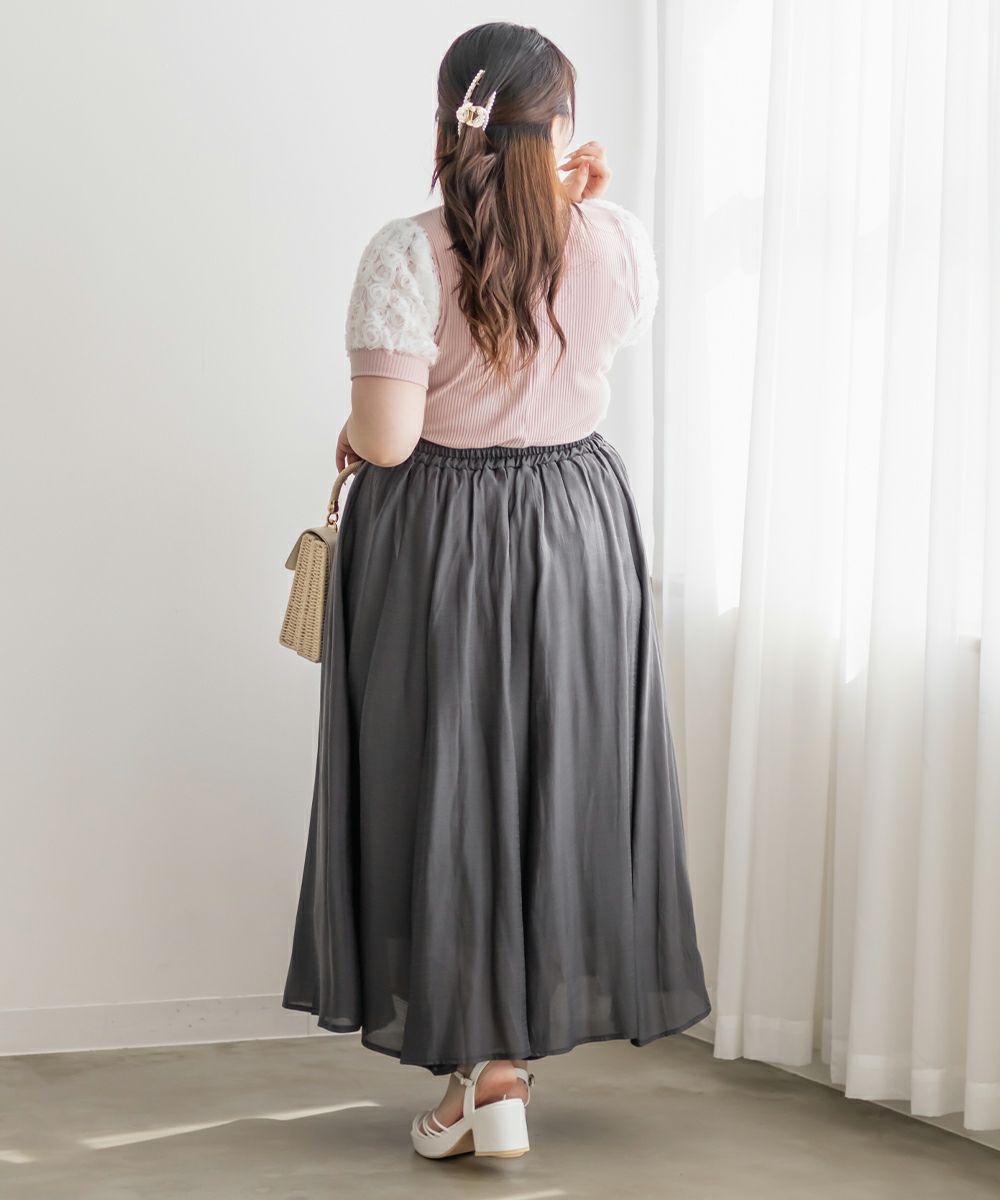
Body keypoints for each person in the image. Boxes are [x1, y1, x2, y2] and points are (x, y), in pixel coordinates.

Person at [281, 20, 712, 1161]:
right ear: (561, 131)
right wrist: (579, 208)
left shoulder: (407, 252)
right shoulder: (618, 240)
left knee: (449, 784)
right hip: (578, 526)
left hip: (444, 537)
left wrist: (351, 427)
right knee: (553, 777)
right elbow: (588, 332)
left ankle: (483, 1073)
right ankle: (505, 1069)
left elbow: (388, 439)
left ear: (448, 125)